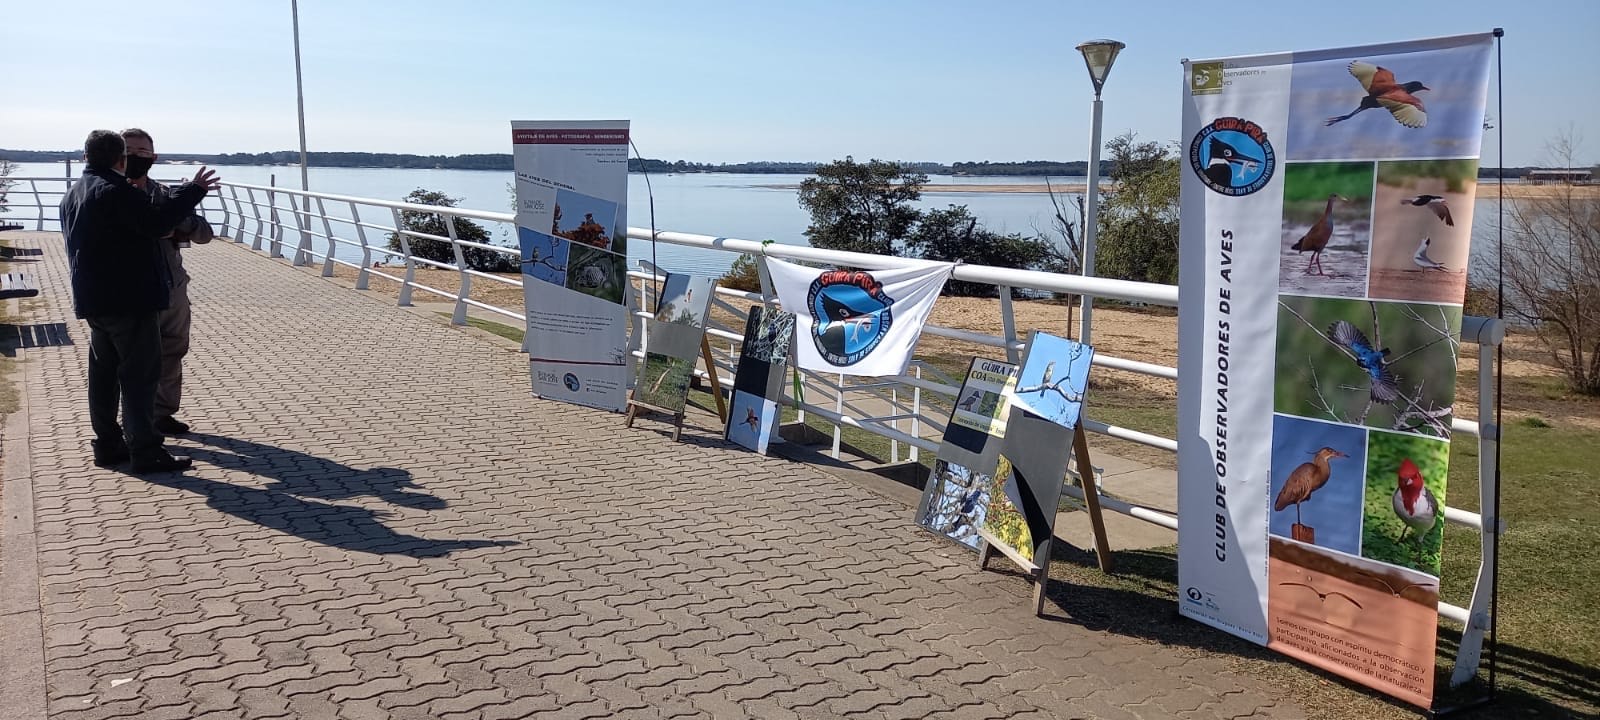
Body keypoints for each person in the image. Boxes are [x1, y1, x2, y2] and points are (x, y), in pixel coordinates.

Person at [59, 129, 218, 473]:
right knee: (140, 376)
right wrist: (195, 190)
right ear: (121, 159)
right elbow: (157, 222)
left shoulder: (74, 192)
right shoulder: (115, 191)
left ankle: (108, 445)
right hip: (129, 299)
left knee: (103, 376)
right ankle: (146, 450)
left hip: (95, 299)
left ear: (86, 156)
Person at [122, 128, 213, 436]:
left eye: (142, 153)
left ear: (154, 157)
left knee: (172, 352)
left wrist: (176, 224)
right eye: (129, 151)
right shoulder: (111, 193)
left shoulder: (167, 194)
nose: (135, 157)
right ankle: (134, 422)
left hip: (173, 288)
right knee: (135, 359)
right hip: (133, 292)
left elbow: (204, 234)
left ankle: (162, 414)